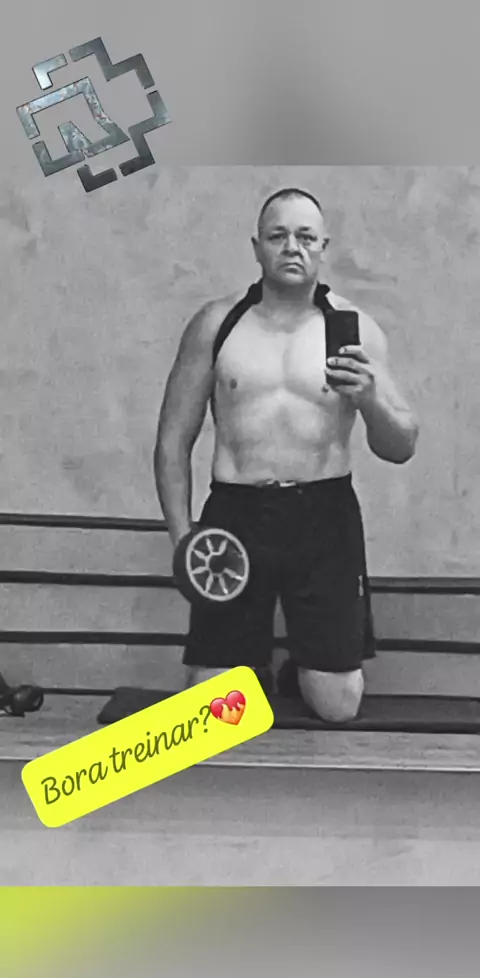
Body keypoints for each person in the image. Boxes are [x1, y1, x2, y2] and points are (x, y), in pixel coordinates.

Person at [154, 188, 419, 723]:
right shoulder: (217, 323)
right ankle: (246, 670)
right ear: (257, 247)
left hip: (325, 518)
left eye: (304, 236)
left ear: (323, 246)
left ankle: (300, 671)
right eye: (278, 236)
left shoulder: (354, 328)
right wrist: (184, 541)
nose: (292, 247)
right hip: (236, 515)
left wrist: (370, 399)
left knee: (337, 707)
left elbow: (401, 445)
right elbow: (172, 442)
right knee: (213, 708)